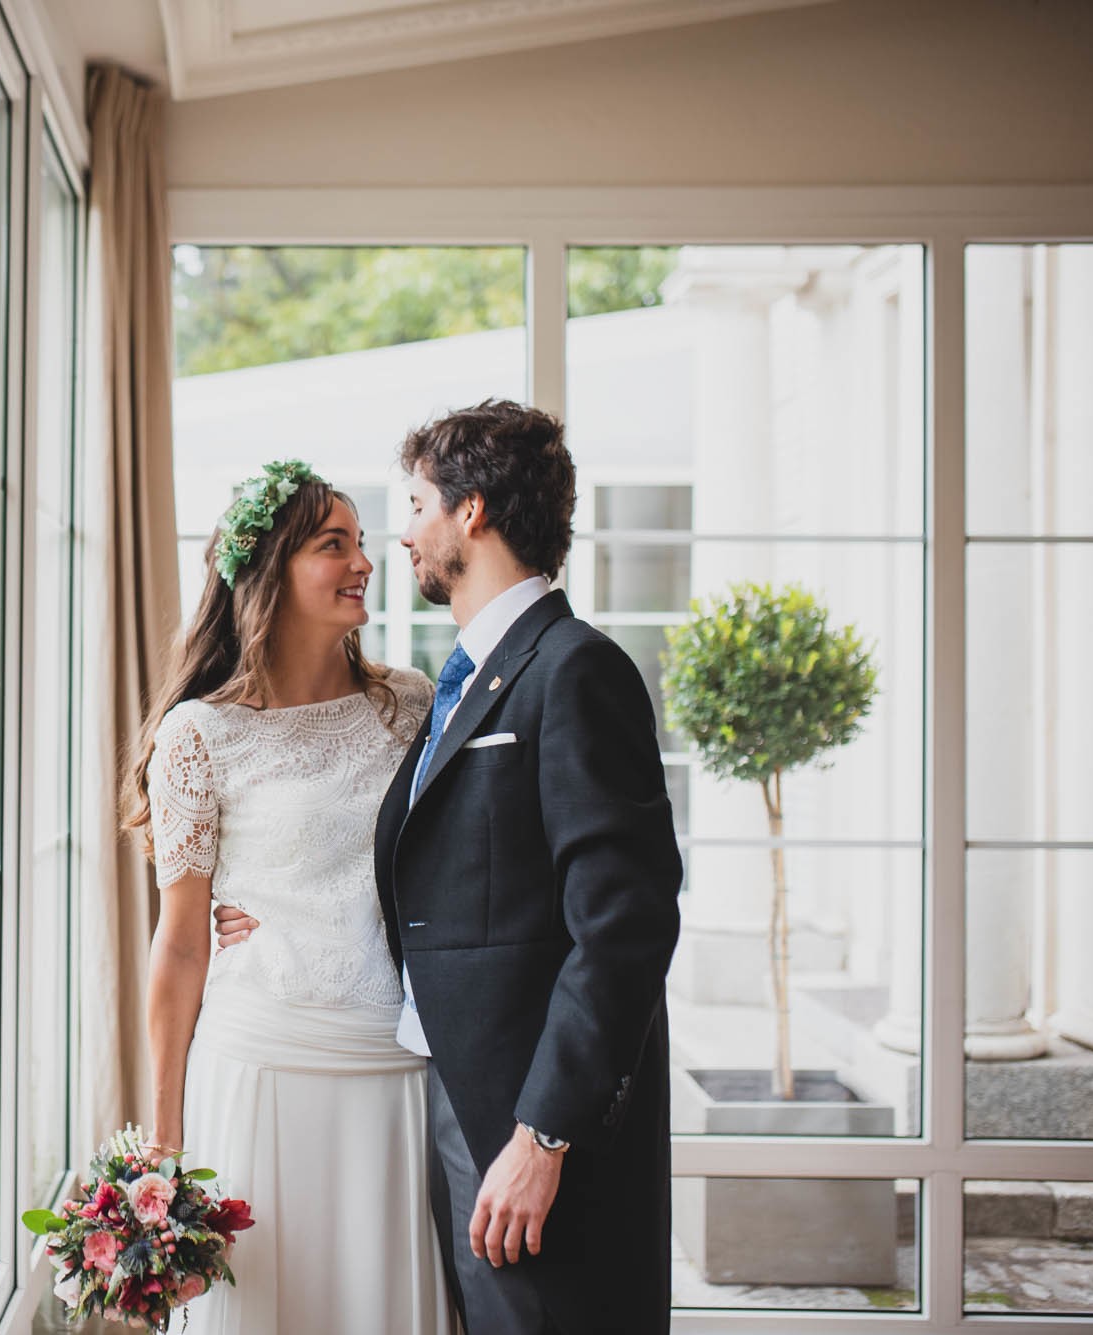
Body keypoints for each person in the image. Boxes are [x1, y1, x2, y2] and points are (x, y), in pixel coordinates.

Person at [216, 401, 683, 1333]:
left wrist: (544, 1134)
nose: (403, 535)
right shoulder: (460, 682)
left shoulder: (575, 669)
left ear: (472, 511)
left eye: (418, 504)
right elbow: (440, 874)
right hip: (446, 1101)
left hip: (532, 1132)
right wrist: (276, 916)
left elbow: (625, 929)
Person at [127, 461, 453, 1335]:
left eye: (362, 542)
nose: (364, 562)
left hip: (393, 1061)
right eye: (334, 544)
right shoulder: (199, 733)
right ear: (272, 567)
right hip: (261, 1059)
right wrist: (164, 1139)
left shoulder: (412, 706)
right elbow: (181, 942)